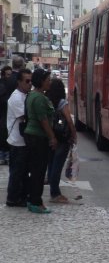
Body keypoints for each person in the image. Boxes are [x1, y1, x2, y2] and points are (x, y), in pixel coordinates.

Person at [24, 68, 56, 214]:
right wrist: (52, 137)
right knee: (38, 171)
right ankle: (36, 202)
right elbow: (43, 120)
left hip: (34, 137)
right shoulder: (39, 98)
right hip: (38, 138)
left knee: (36, 170)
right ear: (41, 81)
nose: (49, 82)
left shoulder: (33, 95)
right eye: (48, 80)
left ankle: (33, 200)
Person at [46, 78, 76, 203]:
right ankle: (55, 193)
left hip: (50, 136)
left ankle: (53, 190)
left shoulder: (47, 100)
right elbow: (69, 120)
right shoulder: (62, 102)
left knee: (52, 163)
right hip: (62, 138)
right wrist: (74, 134)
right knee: (57, 166)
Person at [5, 68, 32, 207]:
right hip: (17, 141)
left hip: (22, 141)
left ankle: (21, 196)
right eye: (27, 81)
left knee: (22, 171)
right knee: (17, 171)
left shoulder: (26, 95)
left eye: (31, 81)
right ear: (19, 82)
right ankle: (12, 198)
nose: (30, 84)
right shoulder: (16, 98)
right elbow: (25, 117)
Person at [0, 64, 14, 164]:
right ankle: (3, 155)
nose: (10, 76)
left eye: (10, 74)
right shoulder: (2, 85)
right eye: (8, 75)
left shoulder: (11, 84)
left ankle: (5, 155)